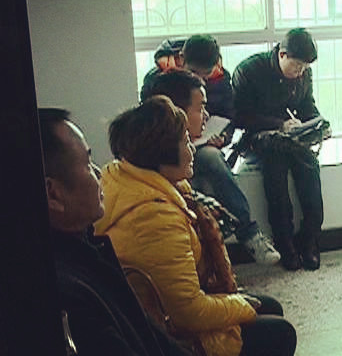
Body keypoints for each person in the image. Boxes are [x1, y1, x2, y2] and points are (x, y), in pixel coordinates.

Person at [95, 96, 296, 356]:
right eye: (186, 142)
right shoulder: (153, 218)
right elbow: (189, 313)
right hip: (175, 337)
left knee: (268, 307)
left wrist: (237, 302)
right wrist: (241, 305)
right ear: (162, 153)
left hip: (163, 316)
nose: (193, 150)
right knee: (280, 332)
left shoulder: (124, 178)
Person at [38, 108, 193, 355]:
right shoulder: (70, 295)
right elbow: (189, 311)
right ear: (53, 194)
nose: (99, 172)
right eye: (87, 163)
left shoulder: (89, 251)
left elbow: (151, 337)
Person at [148, 67, 281, 265]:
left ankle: (246, 233)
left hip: (198, 149)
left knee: (211, 158)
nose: (206, 115)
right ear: (177, 111)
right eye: (200, 108)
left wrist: (219, 138)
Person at [231, 28, 325, 271]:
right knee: (275, 171)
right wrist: (278, 125)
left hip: (294, 137)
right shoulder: (249, 70)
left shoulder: (303, 73)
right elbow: (240, 117)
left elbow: (307, 105)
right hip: (261, 138)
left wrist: (317, 125)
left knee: (310, 169)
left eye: (305, 68)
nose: (300, 72)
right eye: (297, 66)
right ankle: (285, 242)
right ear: (282, 54)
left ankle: (309, 239)